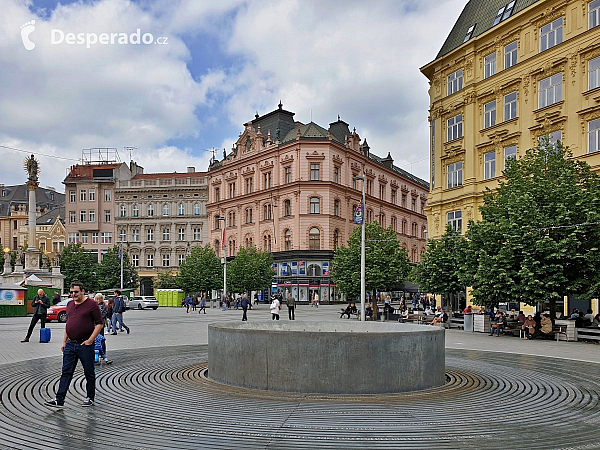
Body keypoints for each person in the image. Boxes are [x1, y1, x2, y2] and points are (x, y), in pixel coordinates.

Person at [44, 282, 103, 408]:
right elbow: (68, 324)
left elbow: (99, 323)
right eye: (71, 292)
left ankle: (90, 397)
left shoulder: (92, 304)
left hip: (85, 344)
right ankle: (59, 399)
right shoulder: (70, 304)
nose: (73, 294)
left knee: (89, 372)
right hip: (70, 344)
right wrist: (64, 341)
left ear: (82, 291)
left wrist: (91, 340)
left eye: (76, 292)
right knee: (66, 372)